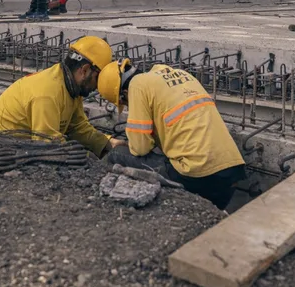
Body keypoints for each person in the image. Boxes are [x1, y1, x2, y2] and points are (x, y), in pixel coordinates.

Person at [99, 59, 246, 210]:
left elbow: (140, 148)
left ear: (124, 93)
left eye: (125, 103)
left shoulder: (137, 84)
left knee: (117, 154)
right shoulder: (181, 75)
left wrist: (125, 143)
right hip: (232, 173)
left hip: (197, 175)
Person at [0, 35, 112, 156]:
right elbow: (47, 145)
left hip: (16, 148)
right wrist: (90, 160)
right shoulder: (48, 94)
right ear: (84, 70)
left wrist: (108, 144)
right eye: (97, 78)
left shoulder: (71, 86)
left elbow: (78, 128)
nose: (97, 86)